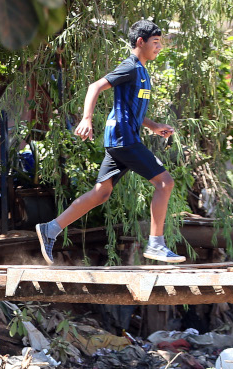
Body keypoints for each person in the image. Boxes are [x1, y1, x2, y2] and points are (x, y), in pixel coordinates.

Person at [35, 20, 184, 265]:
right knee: (165, 183)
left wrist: (153, 126)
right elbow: (95, 86)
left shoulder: (143, 71)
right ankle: (156, 245)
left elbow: (129, 109)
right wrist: (86, 118)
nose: (159, 48)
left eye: (160, 43)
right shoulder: (130, 67)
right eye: (155, 43)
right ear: (140, 42)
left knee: (101, 193)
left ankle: (50, 229)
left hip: (122, 138)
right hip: (124, 139)